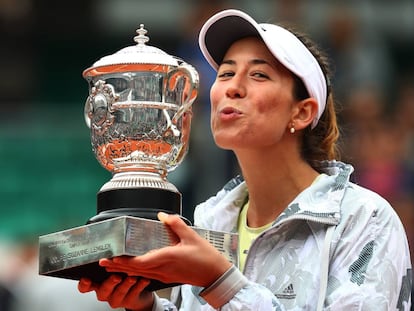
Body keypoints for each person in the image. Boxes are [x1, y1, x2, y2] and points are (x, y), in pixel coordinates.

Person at [77, 9, 412, 310]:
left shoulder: (363, 219)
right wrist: (146, 307)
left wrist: (221, 282)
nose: (232, 87)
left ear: (302, 111)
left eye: (259, 75)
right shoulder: (209, 220)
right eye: (225, 73)